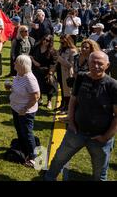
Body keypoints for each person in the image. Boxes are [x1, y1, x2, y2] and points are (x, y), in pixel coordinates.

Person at [44, 51, 117, 181]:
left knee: (100, 171)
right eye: (92, 62)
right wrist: (71, 122)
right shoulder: (82, 77)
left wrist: (106, 137)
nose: (96, 66)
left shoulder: (113, 85)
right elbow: (73, 101)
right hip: (76, 132)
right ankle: (49, 178)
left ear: (107, 65)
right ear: (88, 63)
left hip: (100, 138)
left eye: (100, 63)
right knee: (59, 158)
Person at [9, 54, 41, 167]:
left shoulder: (29, 78)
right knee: (19, 130)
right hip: (16, 108)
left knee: (27, 133)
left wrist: (25, 109)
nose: (14, 64)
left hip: (25, 111)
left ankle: (34, 157)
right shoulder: (19, 74)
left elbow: (36, 96)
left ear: (22, 65)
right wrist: (11, 87)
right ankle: (24, 148)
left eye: (16, 62)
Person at [30, 35, 57, 110]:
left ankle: (49, 101)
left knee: (49, 86)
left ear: (50, 42)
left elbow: (53, 63)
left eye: (47, 40)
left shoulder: (52, 51)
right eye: (44, 39)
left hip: (46, 71)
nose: (45, 41)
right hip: (36, 70)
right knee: (37, 85)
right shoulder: (36, 47)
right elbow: (31, 56)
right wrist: (34, 62)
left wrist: (51, 73)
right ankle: (40, 98)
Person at [57, 35, 78, 114]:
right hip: (60, 71)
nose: (61, 43)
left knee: (68, 91)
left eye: (63, 41)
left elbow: (71, 65)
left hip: (67, 73)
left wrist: (59, 58)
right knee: (62, 89)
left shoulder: (73, 51)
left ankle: (67, 108)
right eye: (60, 41)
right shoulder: (61, 49)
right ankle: (63, 105)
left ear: (68, 41)